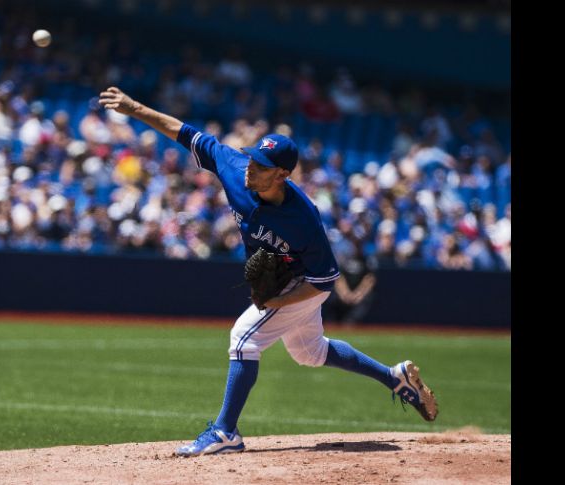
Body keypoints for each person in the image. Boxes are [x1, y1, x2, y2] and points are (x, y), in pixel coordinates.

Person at [99, 87, 438, 457]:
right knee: (310, 352)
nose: (249, 168)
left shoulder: (304, 219)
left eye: (260, 165)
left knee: (244, 338)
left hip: (303, 283)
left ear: (280, 175)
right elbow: (184, 133)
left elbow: (324, 280)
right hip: (289, 279)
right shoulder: (234, 168)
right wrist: (134, 108)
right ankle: (394, 377)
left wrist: (278, 299)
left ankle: (225, 431)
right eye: (251, 159)